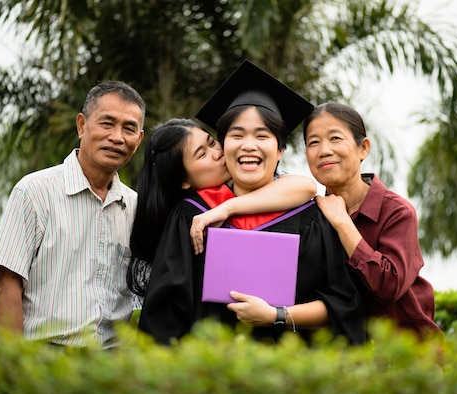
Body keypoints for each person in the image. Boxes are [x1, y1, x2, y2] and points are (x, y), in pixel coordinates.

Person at [137, 60, 365, 345]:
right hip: (205, 380)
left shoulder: (312, 220)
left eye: (262, 136)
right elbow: (164, 317)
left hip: (288, 380)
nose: (248, 145)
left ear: (280, 150)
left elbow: (342, 306)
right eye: (236, 135)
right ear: (222, 146)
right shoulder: (192, 217)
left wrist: (278, 315)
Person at [0, 80, 146, 348]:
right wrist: (12, 366)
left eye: (129, 128)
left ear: (139, 139)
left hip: (112, 371)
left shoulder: (135, 206)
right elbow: (8, 284)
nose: (118, 137)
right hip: (45, 363)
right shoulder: (35, 191)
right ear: (82, 125)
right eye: (107, 123)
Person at [127, 117, 317, 297]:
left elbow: (306, 186)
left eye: (212, 143)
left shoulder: (265, 186)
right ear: (183, 180)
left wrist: (227, 208)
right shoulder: (186, 218)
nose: (218, 153)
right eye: (202, 154)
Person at [303, 102, 442, 339]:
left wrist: (343, 223)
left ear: (363, 148)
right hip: (337, 359)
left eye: (335, 138)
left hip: (405, 355)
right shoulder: (310, 215)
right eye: (313, 142)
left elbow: (389, 286)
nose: (324, 150)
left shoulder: (396, 212)